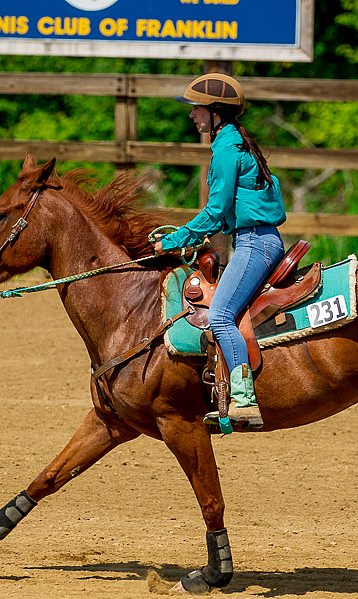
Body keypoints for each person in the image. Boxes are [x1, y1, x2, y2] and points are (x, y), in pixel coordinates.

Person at [154, 73, 286, 428]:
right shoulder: (233, 142)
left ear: (216, 112)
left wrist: (173, 239)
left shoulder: (226, 148)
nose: (192, 115)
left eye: (196, 109)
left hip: (254, 243)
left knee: (220, 316)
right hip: (257, 239)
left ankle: (243, 398)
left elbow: (215, 209)